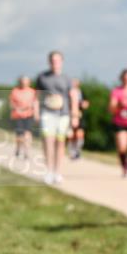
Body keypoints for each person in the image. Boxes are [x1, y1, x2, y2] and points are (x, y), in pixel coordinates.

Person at [35, 50, 80, 185]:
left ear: (62, 61)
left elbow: (73, 97)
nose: (55, 62)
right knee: (48, 141)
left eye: (58, 60)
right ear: (49, 62)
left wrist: (75, 115)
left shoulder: (67, 78)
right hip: (47, 113)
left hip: (63, 114)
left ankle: (57, 172)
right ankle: (48, 171)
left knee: (60, 143)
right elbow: (37, 96)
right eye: (53, 60)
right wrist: (36, 112)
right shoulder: (42, 77)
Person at [9, 76, 37, 159]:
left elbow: (35, 103)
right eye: (23, 81)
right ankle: (18, 148)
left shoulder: (32, 92)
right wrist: (17, 109)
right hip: (18, 115)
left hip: (29, 114)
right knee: (20, 135)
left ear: (29, 82)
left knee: (27, 134)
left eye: (26, 81)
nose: (24, 83)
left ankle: (26, 152)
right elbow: (11, 103)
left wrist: (36, 114)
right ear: (20, 82)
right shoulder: (15, 91)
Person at [67, 78, 89, 160]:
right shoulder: (68, 93)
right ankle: (71, 152)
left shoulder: (81, 92)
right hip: (70, 115)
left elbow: (86, 103)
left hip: (79, 116)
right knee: (71, 135)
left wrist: (83, 105)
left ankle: (78, 151)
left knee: (80, 134)